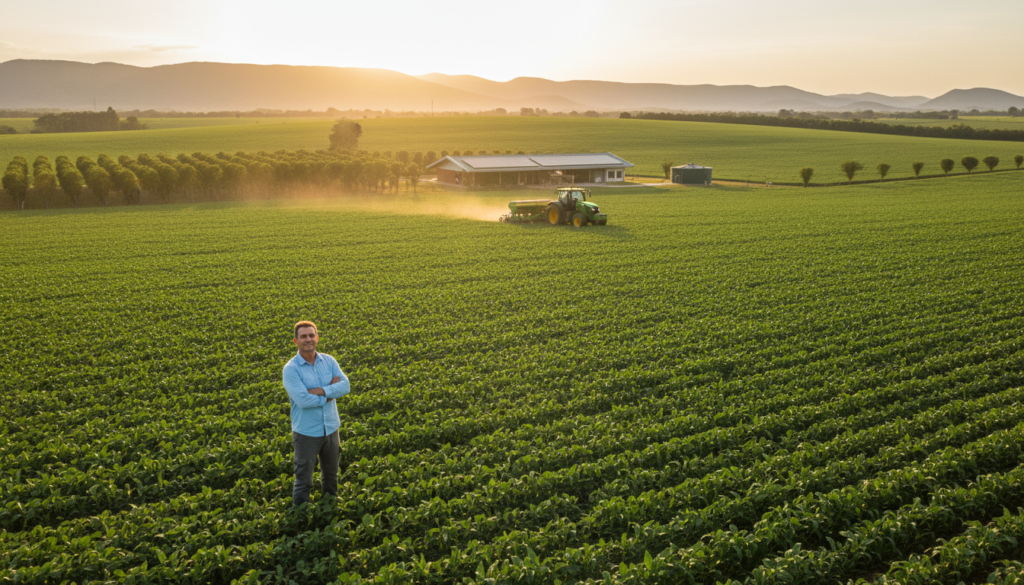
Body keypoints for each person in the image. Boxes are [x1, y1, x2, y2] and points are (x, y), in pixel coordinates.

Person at [282, 320, 350, 505]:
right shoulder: (291, 369)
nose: (308, 339)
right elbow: (303, 401)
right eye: (303, 336)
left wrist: (318, 391)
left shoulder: (329, 361)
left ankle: (329, 509)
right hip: (306, 432)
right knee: (304, 481)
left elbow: (345, 386)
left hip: (331, 428)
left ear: (317, 338)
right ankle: (301, 519)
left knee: (331, 476)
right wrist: (330, 392)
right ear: (295, 341)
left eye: (311, 335)